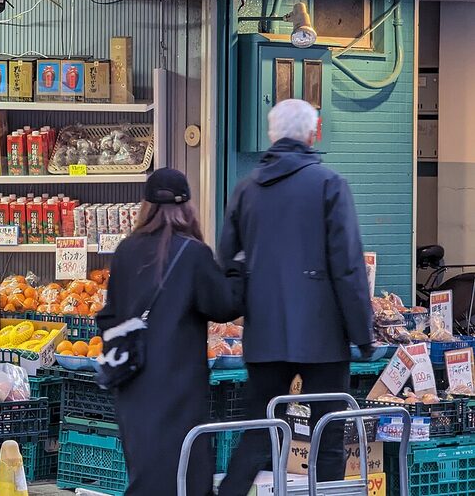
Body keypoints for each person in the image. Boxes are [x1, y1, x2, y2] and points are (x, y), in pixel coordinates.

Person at [216, 99, 374, 496]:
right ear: (313, 131)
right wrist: (362, 333)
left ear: (271, 133)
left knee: (260, 430)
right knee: (328, 433)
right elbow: (348, 266)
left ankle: (233, 492)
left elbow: (227, 259)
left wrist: (243, 304)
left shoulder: (246, 189)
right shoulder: (328, 184)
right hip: (322, 335)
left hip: (265, 333)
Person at [97, 168, 243, 495]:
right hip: (180, 389)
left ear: (145, 206)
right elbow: (225, 306)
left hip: (133, 385)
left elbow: (109, 315)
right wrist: (236, 267)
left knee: (146, 475)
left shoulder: (125, 250)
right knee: (186, 476)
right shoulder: (193, 253)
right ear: (186, 207)